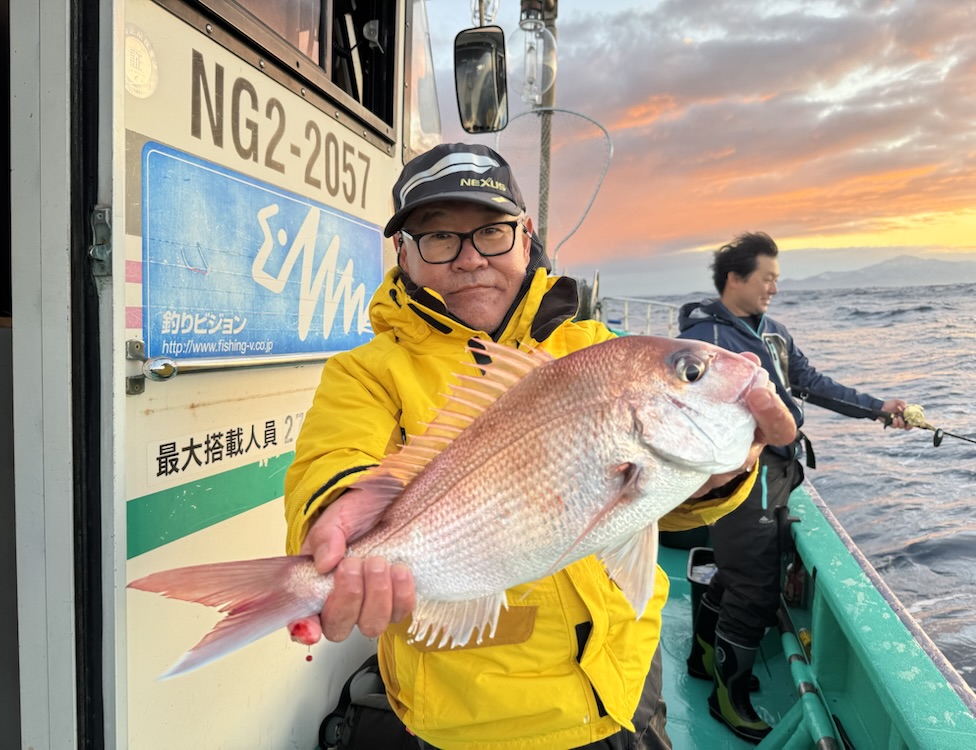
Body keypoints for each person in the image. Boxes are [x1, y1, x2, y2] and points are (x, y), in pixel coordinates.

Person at [283, 144, 797, 750]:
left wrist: (726, 474)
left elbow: (659, 506)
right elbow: (332, 459)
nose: (470, 258)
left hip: (625, 683)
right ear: (403, 252)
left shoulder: (597, 350)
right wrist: (332, 515)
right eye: (439, 237)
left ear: (525, 237)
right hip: (473, 717)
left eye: (491, 232)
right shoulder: (366, 373)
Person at [677, 231, 910, 743]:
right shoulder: (706, 340)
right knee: (754, 586)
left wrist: (878, 409)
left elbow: (811, 382)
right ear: (735, 278)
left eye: (776, 280)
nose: (774, 289)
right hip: (743, 475)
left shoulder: (774, 333)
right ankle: (728, 699)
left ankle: (702, 660)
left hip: (779, 471)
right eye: (767, 279)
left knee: (737, 573)